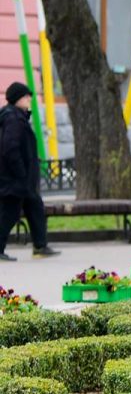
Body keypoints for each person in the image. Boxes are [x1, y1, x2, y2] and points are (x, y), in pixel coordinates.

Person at [0, 83, 58, 261]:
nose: (29, 100)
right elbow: (10, 148)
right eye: (26, 97)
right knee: (9, 213)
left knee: (35, 208)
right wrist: (21, 172)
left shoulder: (17, 117)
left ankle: (40, 246)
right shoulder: (13, 119)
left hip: (21, 178)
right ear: (18, 99)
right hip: (16, 178)